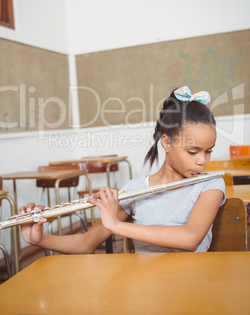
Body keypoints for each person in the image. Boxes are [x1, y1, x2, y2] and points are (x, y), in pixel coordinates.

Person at [19, 86, 225, 254]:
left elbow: (190, 238)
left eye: (208, 151)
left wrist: (116, 225)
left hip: (193, 284)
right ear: (166, 143)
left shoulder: (211, 184)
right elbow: (87, 242)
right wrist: (39, 240)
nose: (202, 161)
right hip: (147, 286)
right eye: (192, 152)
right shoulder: (135, 189)